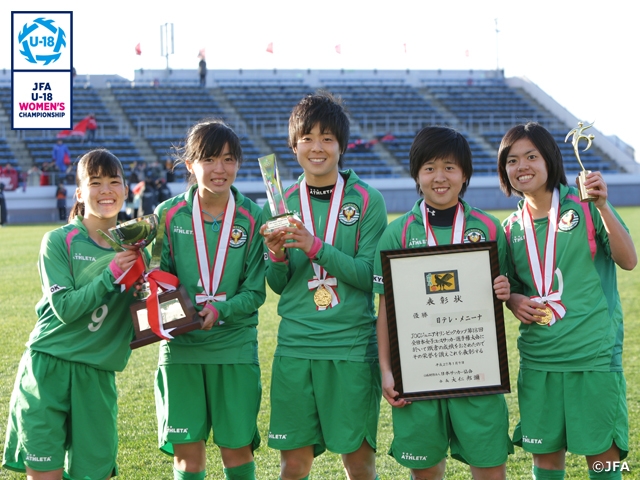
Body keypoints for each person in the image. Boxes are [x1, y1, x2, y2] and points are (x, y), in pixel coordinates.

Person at [497, 122, 637, 480]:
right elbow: (509, 288)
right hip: (539, 360)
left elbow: (628, 260)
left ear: (550, 160)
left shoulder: (587, 206)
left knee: (604, 459)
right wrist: (513, 300)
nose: (522, 166)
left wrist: (604, 207)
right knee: (544, 460)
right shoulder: (510, 228)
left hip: (592, 356)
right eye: (512, 160)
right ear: (504, 170)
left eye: (531, 156)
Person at [373, 126, 513, 480]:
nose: (440, 177)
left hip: (476, 371)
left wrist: (506, 289)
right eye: (429, 167)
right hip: (419, 376)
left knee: (491, 469)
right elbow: (385, 311)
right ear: (417, 175)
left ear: (464, 174)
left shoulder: (489, 229)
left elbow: (511, 291)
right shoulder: (398, 232)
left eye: (450, 167)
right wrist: (387, 370)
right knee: (426, 473)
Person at [261, 91, 387, 480]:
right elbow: (278, 285)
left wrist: (316, 247)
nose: (317, 148)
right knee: (294, 464)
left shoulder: (367, 200)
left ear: (342, 146)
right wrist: (277, 256)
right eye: (307, 138)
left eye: (327, 138)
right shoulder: (279, 201)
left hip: (350, 345)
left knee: (359, 462)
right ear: (293, 145)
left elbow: (370, 277)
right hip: (296, 345)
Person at [2, 149, 140, 479]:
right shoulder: (58, 241)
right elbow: (64, 309)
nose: (106, 189)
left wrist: (154, 292)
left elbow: (144, 319)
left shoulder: (137, 248)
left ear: (125, 190)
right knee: (44, 474)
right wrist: (111, 275)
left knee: (93, 474)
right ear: (79, 192)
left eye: (114, 181)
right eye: (95, 182)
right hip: (48, 368)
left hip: (97, 373)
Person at [153, 119, 265, 480]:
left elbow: (255, 291)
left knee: (237, 450)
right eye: (210, 159)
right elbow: (157, 281)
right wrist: (177, 314)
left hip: (233, 347)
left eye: (229, 159)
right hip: (182, 348)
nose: (220, 169)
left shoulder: (252, 216)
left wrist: (223, 309)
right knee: (188, 455)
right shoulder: (166, 215)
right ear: (190, 164)